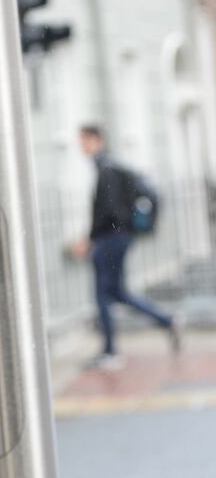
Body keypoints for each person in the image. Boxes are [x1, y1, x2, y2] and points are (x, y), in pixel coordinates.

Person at [72, 125, 182, 369]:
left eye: (84, 141)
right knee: (118, 292)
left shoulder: (107, 169)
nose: (81, 147)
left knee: (102, 294)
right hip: (118, 237)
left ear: (96, 139)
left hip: (111, 238)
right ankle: (167, 320)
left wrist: (90, 238)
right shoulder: (109, 166)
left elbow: (108, 210)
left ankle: (110, 351)